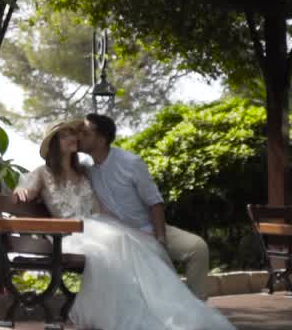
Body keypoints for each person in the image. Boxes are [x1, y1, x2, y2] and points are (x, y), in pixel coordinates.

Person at [14, 119, 238, 330]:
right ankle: (140, 309)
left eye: (74, 133)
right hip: (72, 233)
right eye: (65, 135)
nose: (73, 137)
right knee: (118, 241)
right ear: (53, 143)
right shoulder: (44, 172)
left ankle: (170, 306)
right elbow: (27, 188)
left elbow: (104, 207)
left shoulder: (85, 171)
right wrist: (21, 190)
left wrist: (138, 230)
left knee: (133, 241)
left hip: (100, 225)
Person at [80, 112, 212, 301]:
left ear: (101, 139)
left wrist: (160, 238)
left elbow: (154, 202)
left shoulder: (130, 163)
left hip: (149, 228)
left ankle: (197, 304)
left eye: (85, 133)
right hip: (119, 238)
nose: (79, 136)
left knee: (197, 247)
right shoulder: (85, 168)